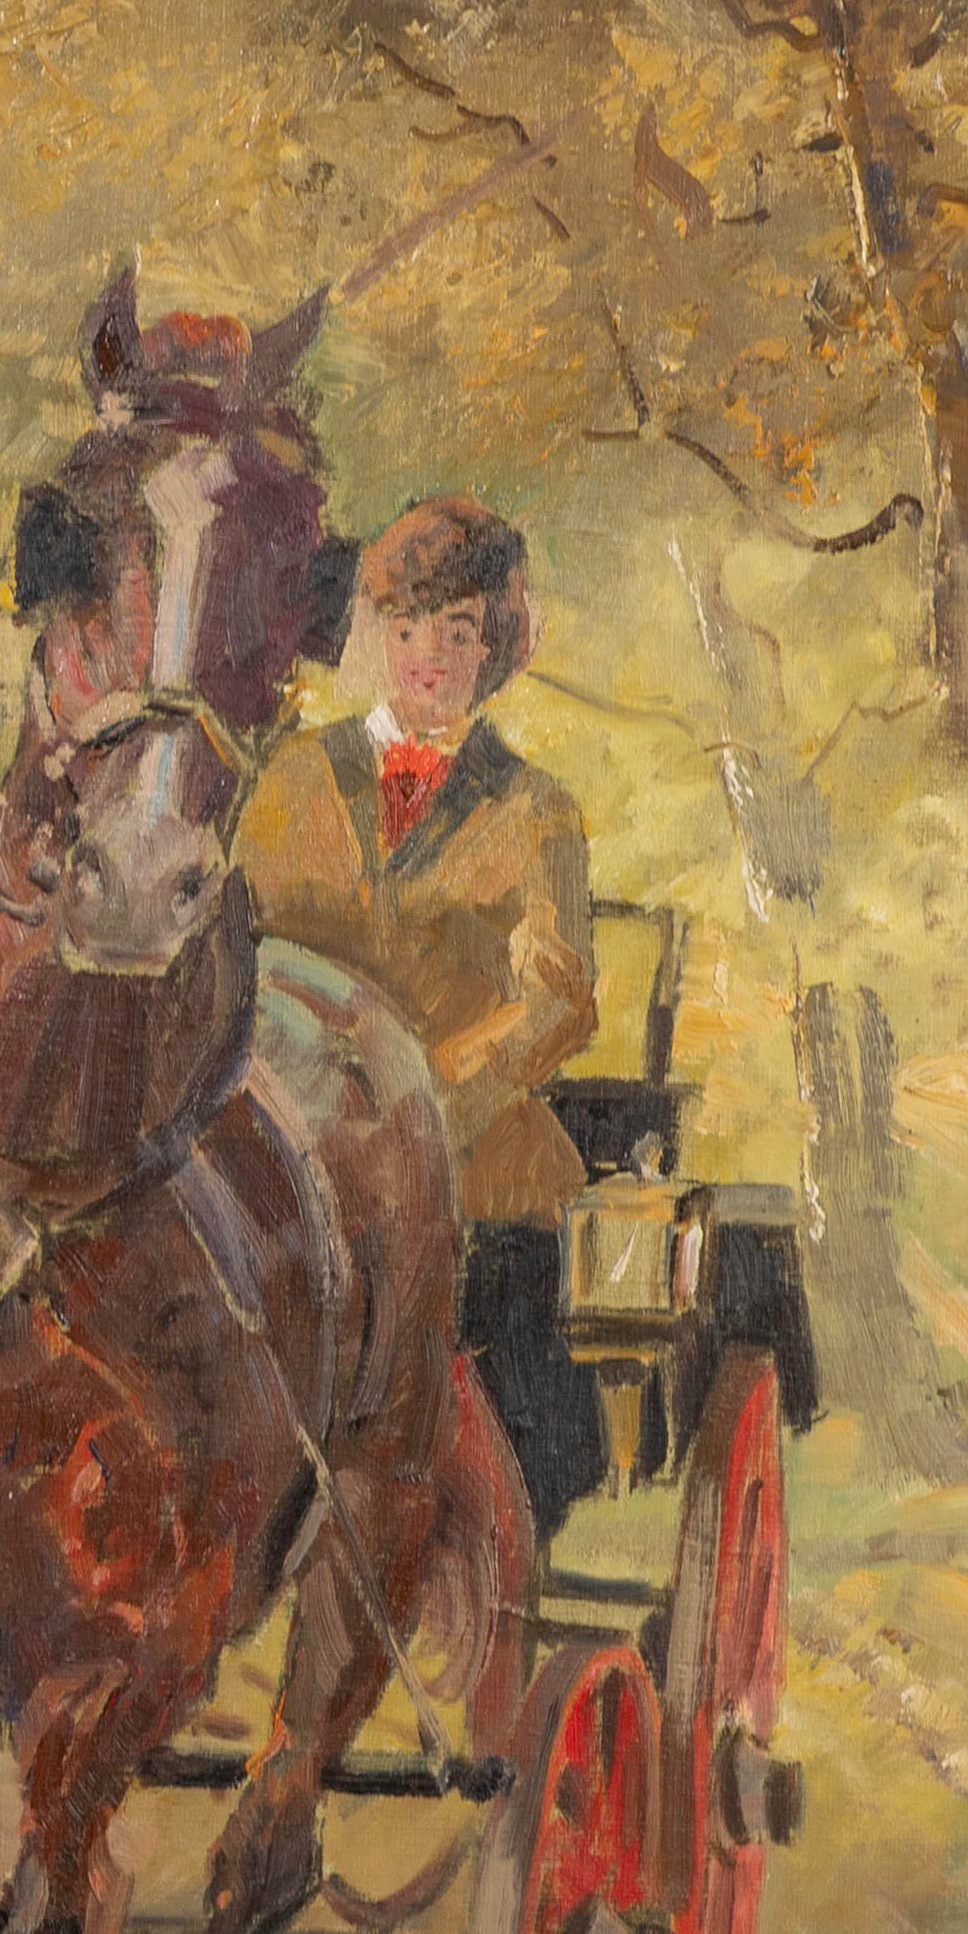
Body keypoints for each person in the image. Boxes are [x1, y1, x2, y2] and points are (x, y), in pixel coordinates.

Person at [234, 496, 607, 1530]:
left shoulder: (535, 811)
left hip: (472, 1157)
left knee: (511, 1358)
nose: (429, 659)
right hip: (303, 1151)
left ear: (496, 647)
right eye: (407, 630)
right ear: (378, 637)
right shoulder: (291, 780)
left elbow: (558, 999)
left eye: (458, 631)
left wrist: (426, 1104)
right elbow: (235, 955)